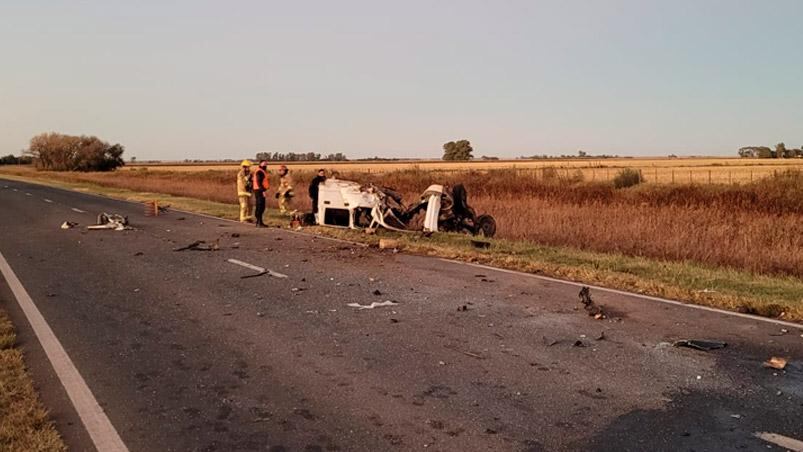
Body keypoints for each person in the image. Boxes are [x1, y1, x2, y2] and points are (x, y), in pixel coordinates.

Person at [252, 160, 270, 227]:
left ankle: (259, 222)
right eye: (264, 164)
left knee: (260, 206)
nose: (265, 165)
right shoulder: (259, 171)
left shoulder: (260, 171)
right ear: (260, 164)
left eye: (266, 164)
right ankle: (259, 222)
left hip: (258, 190)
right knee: (261, 206)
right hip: (259, 191)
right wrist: (263, 191)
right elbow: (259, 182)